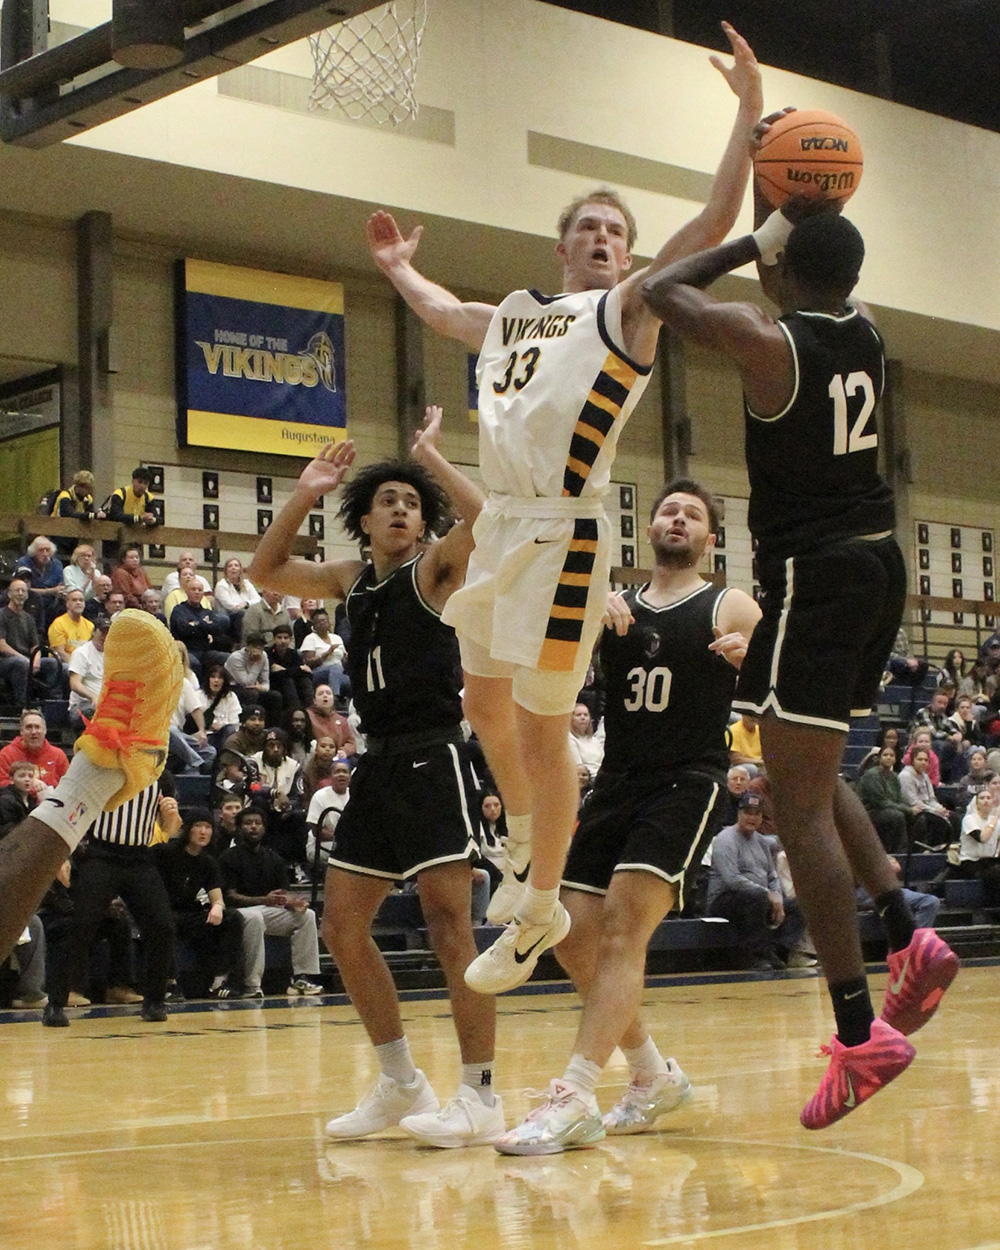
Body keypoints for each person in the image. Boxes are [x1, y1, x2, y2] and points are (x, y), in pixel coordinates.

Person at [365, 25, 764, 997]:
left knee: (544, 729)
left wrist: (750, 117)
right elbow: (447, 316)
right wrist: (397, 271)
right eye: (587, 229)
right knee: (479, 701)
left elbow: (710, 223)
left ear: (627, 257)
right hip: (500, 524)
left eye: (615, 234)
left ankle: (542, 897)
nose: (602, 240)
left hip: (565, 529)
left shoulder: (626, 310)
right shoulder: (515, 311)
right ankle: (519, 844)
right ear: (560, 244)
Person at [640, 195, 959, 1125]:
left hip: (813, 579)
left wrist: (750, 236)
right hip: (878, 564)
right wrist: (796, 226)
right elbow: (816, 272)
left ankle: (861, 1035)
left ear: (779, 269)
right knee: (814, 766)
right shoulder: (867, 330)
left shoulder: (762, 337)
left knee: (795, 800)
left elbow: (660, 289)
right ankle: (907, 933)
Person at [250, 406, 504, 1148]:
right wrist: (304, 493)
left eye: (413, 502)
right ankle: (400, 1082)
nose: (402, 508)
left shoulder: (435, 567)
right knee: (339, 925)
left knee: (451, 924)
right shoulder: (351, 580)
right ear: (364, 519)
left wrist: (434, 458)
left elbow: (490, 519)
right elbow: (266, 570)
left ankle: (481, 1092)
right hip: (379, 763)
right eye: (388, 500)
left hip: (436, 755)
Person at [494, 478, 761, 1154]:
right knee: (567, 932)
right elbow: (557, 676)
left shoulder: (729, 604)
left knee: (620, 931)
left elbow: (784, 685)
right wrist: (590, 627)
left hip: (686, 782)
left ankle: (576, 1093)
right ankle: (651, 1073)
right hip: (617, 781)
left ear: (709, 537)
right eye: (669, 510)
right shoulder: (611, 605)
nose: (678, 519)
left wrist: (752, 667)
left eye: (693, 514)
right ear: (649, 528)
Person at [0, 609, 182, 969]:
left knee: (160, 927)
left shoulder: (165, 780)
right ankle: (99, 774)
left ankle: (156, 999)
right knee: (80, 926)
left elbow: (168, 829)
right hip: (101, 852)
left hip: (139, 854)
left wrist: (168, 824)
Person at [218, 806, 322, 998]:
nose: (253, 827)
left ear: (264, 828)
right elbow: (229, 896)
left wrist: (291, 902)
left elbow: (283, 892)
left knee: (307, 915)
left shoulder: (273, 858)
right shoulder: (228, 857)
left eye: (258, 823)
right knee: (255, 917)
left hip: (267, 910)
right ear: (239, 828)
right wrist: (263, 899)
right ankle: (251, 984)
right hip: (237, 913)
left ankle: (301, 978)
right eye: (248, 823)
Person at [705, 792, 807, 970]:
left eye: (757, 813)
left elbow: (772, 875)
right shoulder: (725, 839)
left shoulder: (762, 842)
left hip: (758, 897)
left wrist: (778, 897)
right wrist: (768, 894)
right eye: (747, 812)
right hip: (724, 899)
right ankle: (756, 957)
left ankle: (776, 950)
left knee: (800, 905)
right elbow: (732, 879)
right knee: (755, 898)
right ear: (739, 814)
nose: (752, 817)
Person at [152, 809, 244, 998]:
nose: (203, 831)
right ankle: (169, 983)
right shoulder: (164, 852)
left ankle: (220, 981)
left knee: (233, 918)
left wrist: (217, 907)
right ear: (188, 829)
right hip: (161, 911)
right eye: (198, 826)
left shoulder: (208, 862)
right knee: (165, 923)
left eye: (208, 827)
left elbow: (217, 897)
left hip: (188, 914)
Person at [0, 577, 60, 706]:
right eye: (17, 590)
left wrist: (36, 660)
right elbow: (2, 645)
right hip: (5, 660)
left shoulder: (29, 618)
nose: (20, 594)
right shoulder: (2, 615)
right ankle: (21, 705)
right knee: (21, 663)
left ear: (27, 595)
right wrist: (26, 659)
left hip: (27, 659)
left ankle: (51, 704)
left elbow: (35, 645)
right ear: (9, 594)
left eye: (23, 591)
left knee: (52, 663)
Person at [855, 745, 912, 854]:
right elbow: (880, 802)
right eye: (885, 755)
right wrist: (907, 809)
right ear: (880, 758)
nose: (889, 757)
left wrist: (911, 809)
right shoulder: (872, 774)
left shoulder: (894, 776)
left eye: (891, 755)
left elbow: (898, 799)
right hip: (871, 811)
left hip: (888, 809)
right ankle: (898, 852)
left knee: (917, 817)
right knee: (897, 816)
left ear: (895, 759)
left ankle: (913, 851)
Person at [0, 708, 68, 789]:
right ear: (21, 731)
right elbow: (2, 784)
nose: (33, 732)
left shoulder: (58, 755)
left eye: (37, 727)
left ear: (45, 730)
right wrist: (29, 784)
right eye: (29, 727)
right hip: (18, 800)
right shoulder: (6, 754)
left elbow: (68, 784)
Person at [226, 632, 282, 726]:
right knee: (252, 694)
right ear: (247, 646)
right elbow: (246, 683)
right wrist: (257, 662)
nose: (258, 649)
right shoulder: (236, 658)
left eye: (261, 646)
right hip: (233, 687)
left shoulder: (263, 655)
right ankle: (248, 725)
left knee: (275, 696)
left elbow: (266, 682)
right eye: (255, 646)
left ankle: (273, 728)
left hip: (254, 687)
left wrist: (262, 688)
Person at [68, 616, 111, 729]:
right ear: (93, 632)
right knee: (98, 711)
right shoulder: (82, 653)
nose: (104, 636)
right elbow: (75, 684)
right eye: (102, 632)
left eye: (108, 632)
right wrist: (93, 697)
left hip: (106, 704)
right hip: (81, 707)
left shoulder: (112, 655)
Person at [15, 536, 67, 628]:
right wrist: (52, 590)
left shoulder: (57, 564)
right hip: (30, 602)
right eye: (41, 550)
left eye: (48, 550)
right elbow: (24, 590)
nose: (45, 553)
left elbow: (60, 586)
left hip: (51, 603)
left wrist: (60, 592)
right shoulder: (24, 562)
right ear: (33, 552)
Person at [266, 625, 315, 713]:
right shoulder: (268, 653)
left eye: (286, 638)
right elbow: (273, 675)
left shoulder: (293, 653)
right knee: (287, 680)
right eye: (279, 638)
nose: (283, 641)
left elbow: (307, 673)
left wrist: (284, 671)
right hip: (274, 685)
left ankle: (311, 711)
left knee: (305, 680)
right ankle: (295, 711)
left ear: (291, 640)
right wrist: (297, 669)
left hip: (294, 685)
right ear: (274, 639)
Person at [298, 609, 347, 695]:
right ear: (314, 625)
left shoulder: (337, 638)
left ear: (329, 623)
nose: (322, 623)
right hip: (318, 672)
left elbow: (343, 662)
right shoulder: (310, 638)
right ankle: (335, 697)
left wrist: (347, 658)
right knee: (335, 668)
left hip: (339, 672)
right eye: (318, 622)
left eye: (324, 621)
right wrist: (327, 653)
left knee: (353, 677)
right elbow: (308, 662)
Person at [197, 664, 243, 754]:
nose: (216, 680)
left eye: (220, 678)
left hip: (225, 734)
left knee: (229, 730)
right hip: (206, 735)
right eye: (213, 677)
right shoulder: (198, 695)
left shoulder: (231, 696)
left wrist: (221, 725)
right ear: (208, 679)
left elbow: (235, 722)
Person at [214, 557, 260, 641]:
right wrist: (245, 606)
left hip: (247, 612)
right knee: (240, 614)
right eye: (230, 566)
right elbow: (230, 605)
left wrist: (246, 603)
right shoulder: (221, 585)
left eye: (236, 565)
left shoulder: (247, 583)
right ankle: (240, 642)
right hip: (230, 616)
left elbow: (258, 600)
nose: (233, 568)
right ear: (226, 571)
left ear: (240, 570)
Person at [47, 588, 94, 667]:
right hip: (64, 664)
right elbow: (60, 652)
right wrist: (77, 668)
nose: (78, 603)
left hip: (85, 665)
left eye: (81, 600)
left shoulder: (90, 626)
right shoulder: (58, 623)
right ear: (67, 604)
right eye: (74, 600)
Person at [567, 702, 603, 784]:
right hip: (586, 780)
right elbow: (579, 767)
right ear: (571, 718)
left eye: (585, 715)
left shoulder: (594, 740)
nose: (583, 718)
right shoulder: (569, 738)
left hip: (600, 777)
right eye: (578, 715)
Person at [111, 545, 152, 610]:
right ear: (123, 559)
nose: (135, 560)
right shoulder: (120, 573)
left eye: (137, 557)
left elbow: (149, 589)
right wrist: (141, 607)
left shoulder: (142, 572)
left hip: (145, 604)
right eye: (131, 558)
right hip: (131, 607)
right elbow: (126, 595)